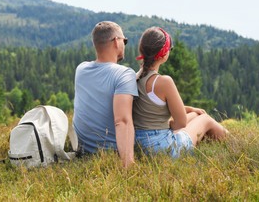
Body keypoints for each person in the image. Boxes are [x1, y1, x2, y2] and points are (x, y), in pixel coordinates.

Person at [133, 27, 229, 158]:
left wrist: (190, 110)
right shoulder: (163, 82)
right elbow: (180, 123)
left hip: (138, 145)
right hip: (163, 149)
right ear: (164, 53)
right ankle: (233, 144)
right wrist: (170, 123)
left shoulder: (135, 77)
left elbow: (152, 107)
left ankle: (211, 142)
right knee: (205, 119)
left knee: (196, 115)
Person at [73, 21, 138, 167]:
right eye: (124, 40)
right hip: (109, 152)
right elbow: (122, 121)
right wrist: (128, 165)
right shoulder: (124, 74)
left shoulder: (81, 69)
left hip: (81, 150)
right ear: (116, 41)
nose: (124, 44)